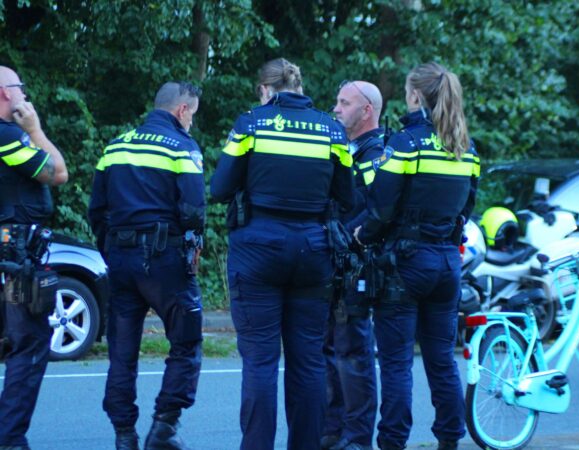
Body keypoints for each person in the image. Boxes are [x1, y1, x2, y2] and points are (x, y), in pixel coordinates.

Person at [210, 58, 355, 450]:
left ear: (265, 90)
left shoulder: (250, 123)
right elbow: (349, 195)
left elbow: (220, 188)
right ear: (300, 87)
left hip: (257, 248)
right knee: (307, 362)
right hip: (313, 249)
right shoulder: (332, 129)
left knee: (259, 362)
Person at [355, 62, 480, 450]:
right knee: (442, 360)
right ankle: (449, 441)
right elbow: (467, 209)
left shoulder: (405, 143)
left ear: (414, 96)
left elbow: (381, 206)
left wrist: (361, 234)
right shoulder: (466, 148)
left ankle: (392, 443)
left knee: (396, 364)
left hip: (405, 266)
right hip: (447, 263)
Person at [88, 81, 205, 450]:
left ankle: (125, 435)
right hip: (164, 259)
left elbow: (97, 209)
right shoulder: (183, 147)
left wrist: (112, 247)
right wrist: (191, 247)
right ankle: (164, 426)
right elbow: (192, 211)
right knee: (186, 342)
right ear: (182, 111)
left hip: (120, 260)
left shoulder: (116, 146)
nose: (192, 124)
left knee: (122, 352)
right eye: (193, 116)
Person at [0, 66, 68, 450]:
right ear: (5, 94)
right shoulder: (9, 137)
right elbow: (57, 173)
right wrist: (35, 130)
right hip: (17, 261)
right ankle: (10, 441)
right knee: (28, 343)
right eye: (19, 88)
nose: (25, 94)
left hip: (9, 257)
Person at [322, 80, 384, 450]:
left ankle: (358, 438)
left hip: (358, 268)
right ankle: (332, 431)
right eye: (337, 100)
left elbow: (375, 210)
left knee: (353, 354)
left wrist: (344, 236)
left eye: (344, 102)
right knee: (329, 351)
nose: (336, 108)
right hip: (331, 265)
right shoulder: (343, 149)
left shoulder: (378, 154)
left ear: (367, 111)